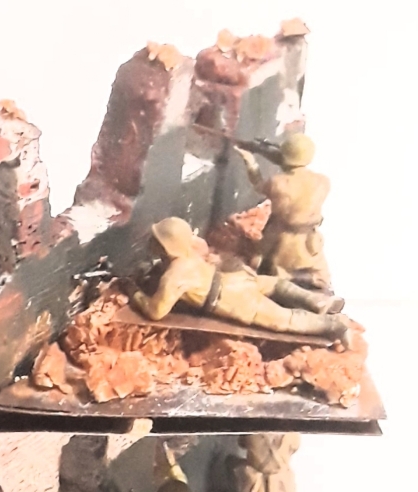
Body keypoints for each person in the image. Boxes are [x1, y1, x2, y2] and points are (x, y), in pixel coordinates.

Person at [130, 218, 350, 342]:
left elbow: (156, 312)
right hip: (234, 279)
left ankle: (334, 325)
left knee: (284, 320)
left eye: (156, 240)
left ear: (165, 246)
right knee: (274, 284)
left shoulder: (175, 276)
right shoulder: (191, 251)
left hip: (231, 298)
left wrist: (134, 292)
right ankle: (316, 301)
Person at [235, 133, 333, 289]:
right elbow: (298, 176)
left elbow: (259, 185)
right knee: (319, 278)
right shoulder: (323, 182)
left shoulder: (278, 183)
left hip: (282, 243)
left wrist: (250, 161)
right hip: (310, 243)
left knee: (266, 272)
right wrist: (271, 153)